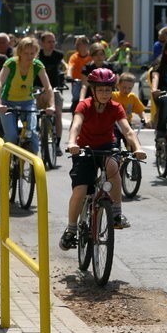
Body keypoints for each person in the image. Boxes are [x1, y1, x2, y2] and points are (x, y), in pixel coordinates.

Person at [60, 68, 147, 250]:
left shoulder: (115, 107)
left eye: (108, 90)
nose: (105, 94)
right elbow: (76, 126)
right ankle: (71, 230)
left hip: (107, 147)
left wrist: (137, 147)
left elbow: (128, 130)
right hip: (84, 149)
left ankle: (116, 214)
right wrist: (71, 142)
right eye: (100, 89)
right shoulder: (84, 105)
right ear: (93, 90)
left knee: (113, 167)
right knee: (81, 189)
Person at [0, 36, 55, 154]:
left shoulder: (37, 65)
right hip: (8, 102)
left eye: (32, 53)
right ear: (19, 52)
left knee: (32, 134)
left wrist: (52, 105)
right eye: (26, 53)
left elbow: (48, 87)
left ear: (36, 53)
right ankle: (3, 162)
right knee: (11, 136)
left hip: (27, 103)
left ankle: (35, 168)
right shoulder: (11, 63)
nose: (29, 57)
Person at [37, 31, 67, 154]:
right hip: (38, 89)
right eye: (49, 42)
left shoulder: (58, 55)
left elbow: (65, 66)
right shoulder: (37, 56)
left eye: (53, 41)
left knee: (58, 113)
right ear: (42, 43)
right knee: (33, 112)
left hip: (54, 89)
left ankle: (58, 143)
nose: (52, 44)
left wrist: (67, 73)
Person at [66, 35, 92, 112]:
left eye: (79, 44)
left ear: (86, 45)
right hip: (77, 81)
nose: (76, 46)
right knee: (76, 97)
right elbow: (70, 67)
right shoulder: (74, 57)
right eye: (77, 44)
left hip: (89, 81)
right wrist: (69, 76)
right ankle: (75, 111)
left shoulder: (91, 56)